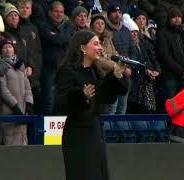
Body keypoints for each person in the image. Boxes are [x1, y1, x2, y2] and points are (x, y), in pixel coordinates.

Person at [54, 30, 129, 180]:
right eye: (95, 44)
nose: (100, 47)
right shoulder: (67, 71)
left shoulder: (95, 71)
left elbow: (107, 97)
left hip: (95, 132)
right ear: (82, 48)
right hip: (78, 135)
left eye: (100, 43)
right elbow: (61, 102)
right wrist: (82, 96)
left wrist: (116, 75)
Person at [0, 37, 33, 145]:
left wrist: (29, 102)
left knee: (22, 137)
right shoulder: (0, 66)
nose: (8, 50)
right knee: (9, 138)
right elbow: (2, 89)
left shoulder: (20, 66)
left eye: (10, 47)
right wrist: (14, 105)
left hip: (23, 109)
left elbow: (27, 86)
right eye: (5, 48)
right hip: (8, 110)